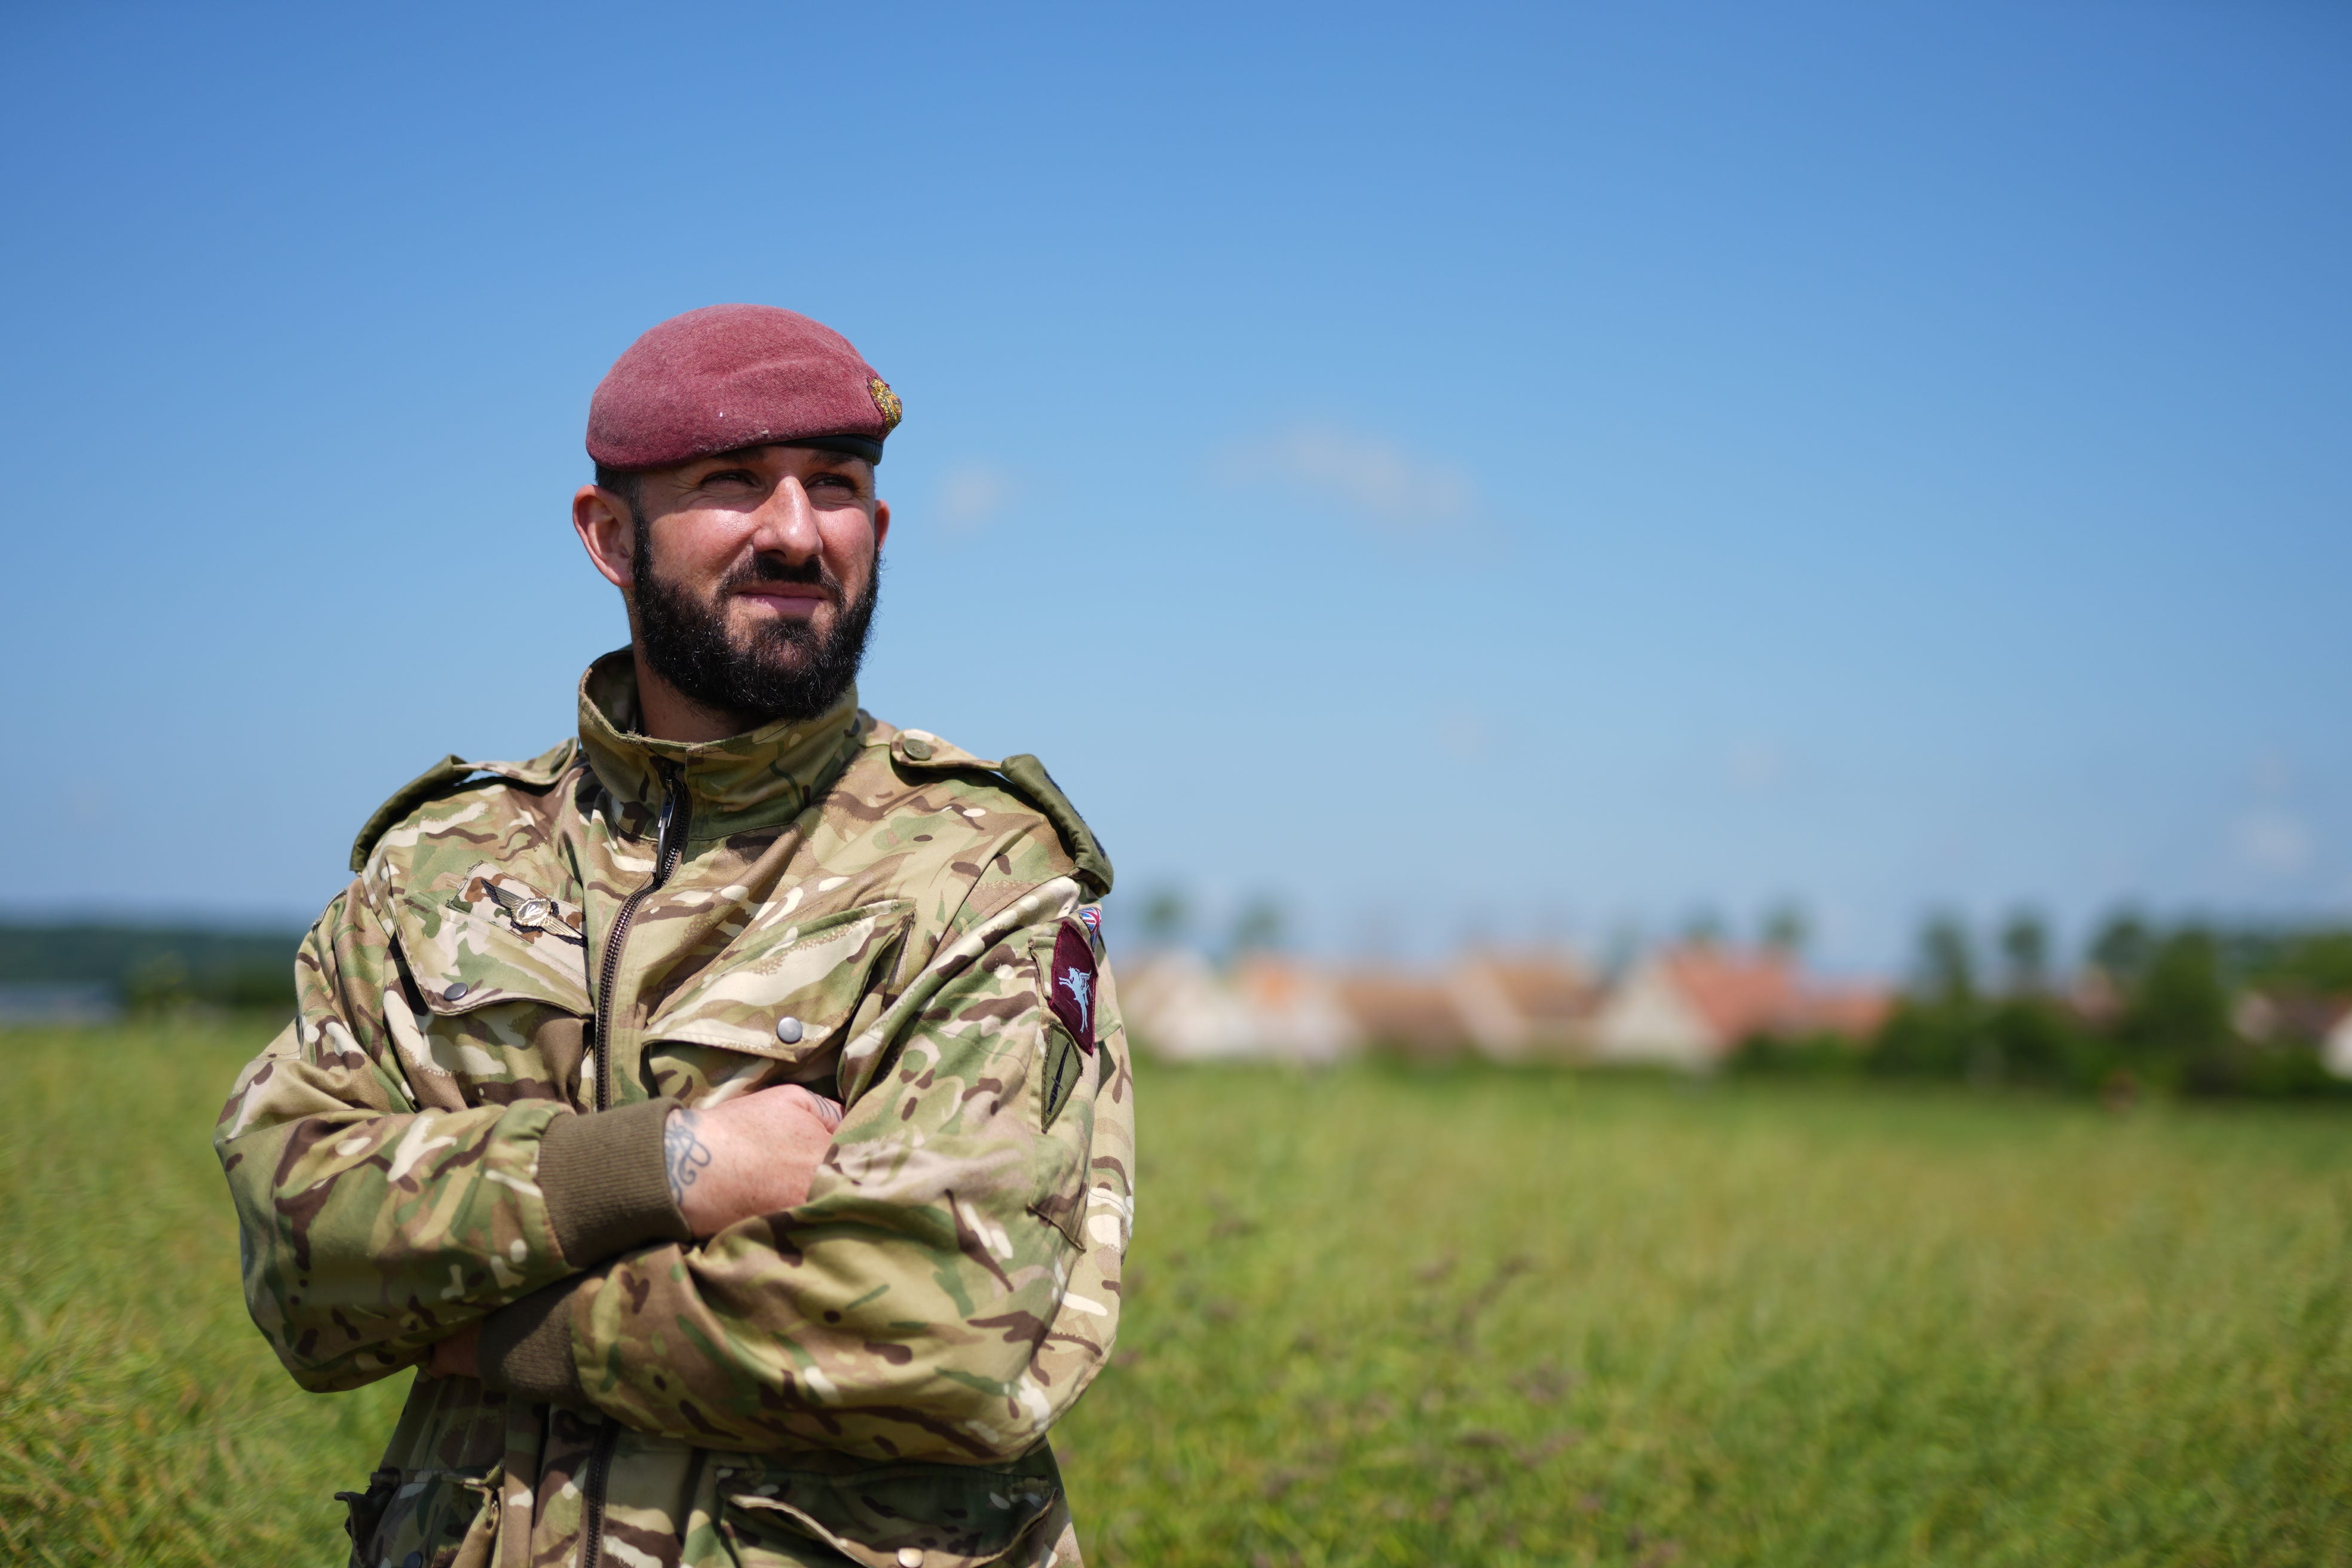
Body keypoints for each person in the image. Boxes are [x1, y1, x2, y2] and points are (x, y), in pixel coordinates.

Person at [216, 304, 1134, 1568]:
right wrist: (666, 1164)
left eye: (839, 488)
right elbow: (300, 1249)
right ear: (608, 534)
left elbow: (945, 1336)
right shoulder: (440, 870)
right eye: (732, 483)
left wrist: (483, 1328)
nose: (798, 532)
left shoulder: (978, 872)